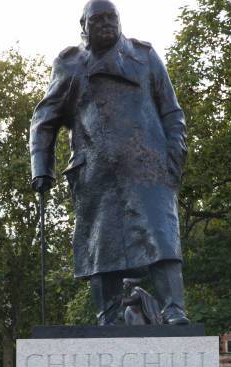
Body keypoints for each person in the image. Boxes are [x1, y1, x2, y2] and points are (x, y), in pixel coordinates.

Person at [30, 0, 189, 326]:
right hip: (96, 173)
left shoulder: (144, 57)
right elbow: (44, 119)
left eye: (110, 17)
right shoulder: (71, 65)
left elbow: (171, 112)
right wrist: (41, 168)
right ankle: (108, 316)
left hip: (149, 167)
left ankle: (174, 310)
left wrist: (175, 155)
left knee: (161, 235)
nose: (105, 23)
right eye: (97, 19)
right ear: (83, 26)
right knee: (103, 246)